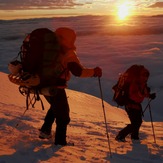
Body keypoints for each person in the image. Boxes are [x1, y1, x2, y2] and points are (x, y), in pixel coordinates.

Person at [39, 27, 102, 146]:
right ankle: (60, 142)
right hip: (56, 87)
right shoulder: (67, 52)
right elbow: (79, 72)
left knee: (55, 107)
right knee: (63, 116)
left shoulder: (47, 47)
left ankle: (45, 131)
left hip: (42, 83)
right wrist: (94, 72)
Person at [115, 66, 156, 142]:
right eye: (144, 76)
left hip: (136, 105)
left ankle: (134, 137)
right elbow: (133, 95)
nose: (146, 78)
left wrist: (149, 95)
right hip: (130, 105)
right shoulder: (135, 83)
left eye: (147, 76)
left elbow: (142, 93)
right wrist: (142, 94)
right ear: (140, 75)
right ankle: (121, 135)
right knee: (135, 123)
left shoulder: (142, 83)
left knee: (138, 122)